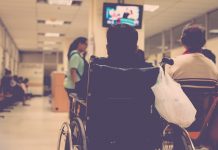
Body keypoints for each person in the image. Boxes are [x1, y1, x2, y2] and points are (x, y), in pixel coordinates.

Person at [166, 24, 218, 130]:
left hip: (178, 123)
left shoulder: (174, 63)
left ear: (183, 41)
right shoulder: (212, 67)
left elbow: (166, 93)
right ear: (203, 42)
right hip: (203, 124)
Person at [64, 37, 88, 119]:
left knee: (74, 107)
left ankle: (74, 123)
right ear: (79, 44)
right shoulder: (75, 56)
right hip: (73, 86)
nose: (86, 46)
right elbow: (73, 71)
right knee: (74, 107)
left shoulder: (78, 55)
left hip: (73, 85)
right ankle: (74, 124)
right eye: (85, 44)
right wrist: (76, 85)